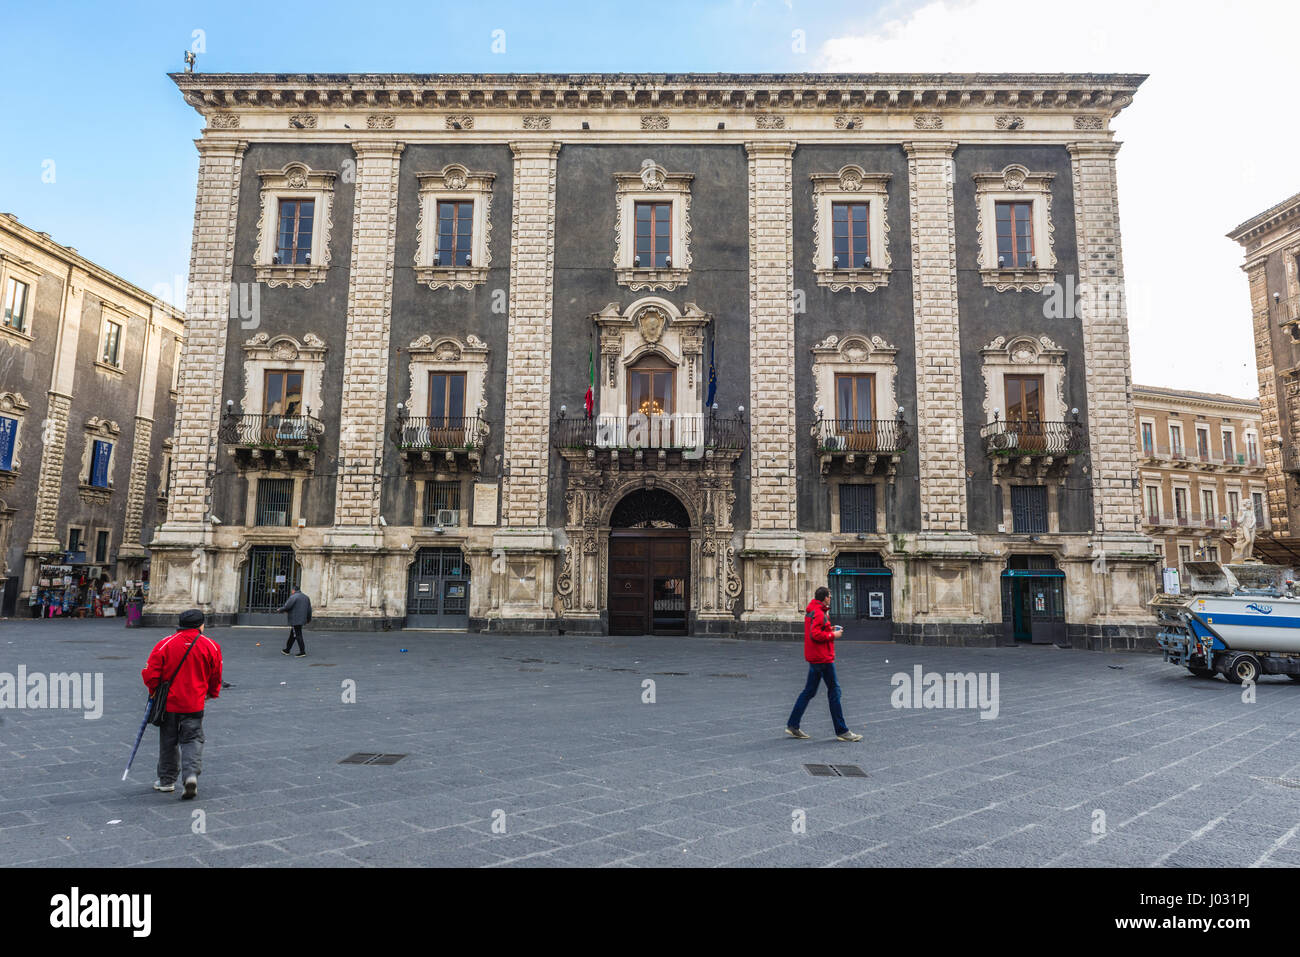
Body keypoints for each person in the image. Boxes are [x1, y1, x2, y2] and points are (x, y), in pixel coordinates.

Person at [141, 609, 223, 799]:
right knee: (193, 739)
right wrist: (211, 693)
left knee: (168, 741)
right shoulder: (211, 645)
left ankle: (167, 781)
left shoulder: (165, 644)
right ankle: (191, 775)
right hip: (194, 702)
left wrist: (154, 690)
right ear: (201, 625)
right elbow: (216, 674)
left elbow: (150, 673)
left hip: (169, 703)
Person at [785, 586, 863, 742]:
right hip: (823, 658)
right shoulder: (820, 613)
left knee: (809, 691)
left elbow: (817, 629)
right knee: (835, 691)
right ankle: (842, 731)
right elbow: (815, 634)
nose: (831, 598)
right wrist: (833, 634)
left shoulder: (813, 610)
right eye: (830, 596)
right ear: (825, 597)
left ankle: (793, 725)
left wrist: (829, 628)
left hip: (815, 657)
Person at [278, 585, 312, 658]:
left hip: (295, 619)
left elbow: (287, 606)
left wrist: (280, 609)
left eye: (292, 591)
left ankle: (302, 651)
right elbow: (309, 609)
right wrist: (308, 619)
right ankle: (287, 650)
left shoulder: (293, 597)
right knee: (293, 634)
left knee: (298, 634)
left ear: (293, 590)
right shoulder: (306, 597)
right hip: (302, 619)